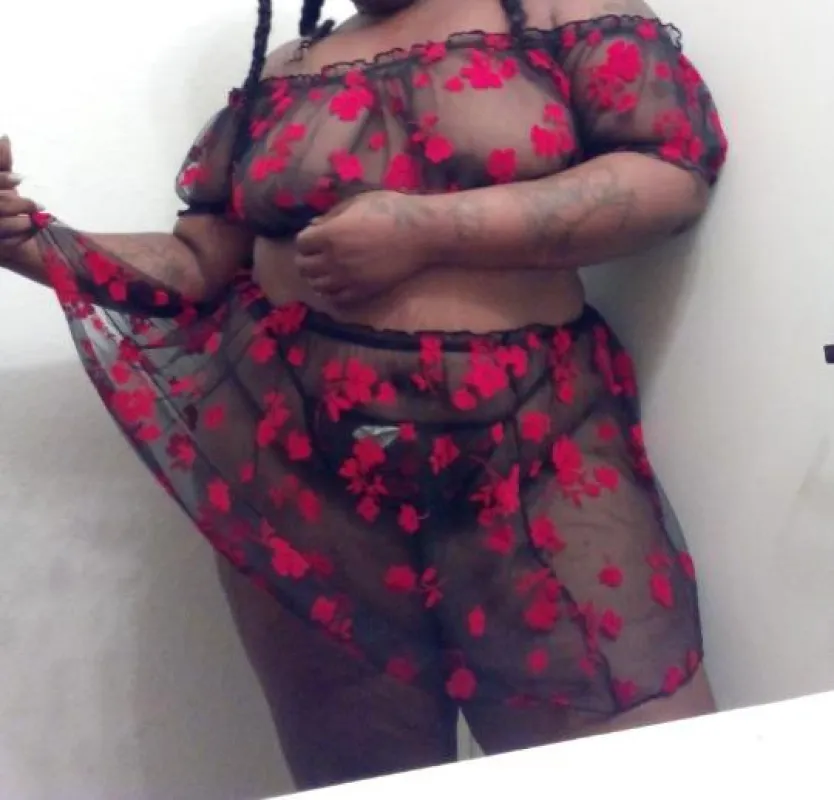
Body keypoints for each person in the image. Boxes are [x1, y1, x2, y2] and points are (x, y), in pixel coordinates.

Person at [0, 0, 728, 790]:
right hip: (295, 471)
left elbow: (670, 173)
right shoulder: (282, 72)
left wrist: (427, 230)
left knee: (636, 770)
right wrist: (29, 240)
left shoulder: (558, 11)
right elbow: (195, 264)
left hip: (540, 453)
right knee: (359, 780)